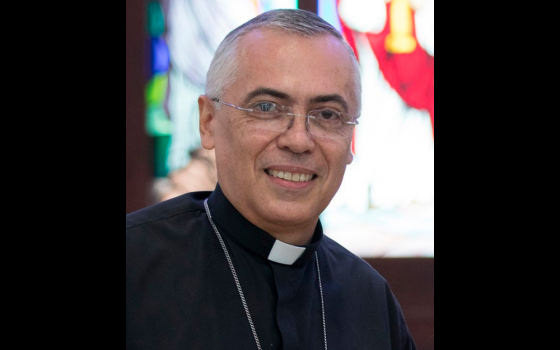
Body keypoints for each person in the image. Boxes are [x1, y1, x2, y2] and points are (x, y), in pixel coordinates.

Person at [126, 9, 417, 350]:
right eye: (267, 108)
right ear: (208, 122)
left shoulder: (369, 297)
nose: (298, 140)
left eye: (327, 115)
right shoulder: (135, 266)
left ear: (350, 140)